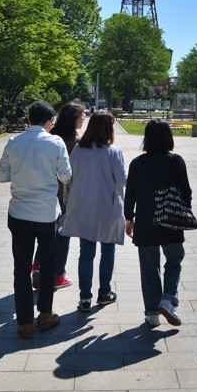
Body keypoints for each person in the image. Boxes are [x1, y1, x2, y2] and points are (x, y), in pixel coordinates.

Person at [0, 100, 72, 338]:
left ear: (28, 119)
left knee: (20, 268)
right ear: (50, 121)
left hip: (19, 212)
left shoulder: (13, 142)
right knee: (48, 264)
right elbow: (66, 176)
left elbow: (2, 176)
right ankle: (45, 314)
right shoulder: (56, 142)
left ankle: (24, 322)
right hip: (46, 213)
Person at [124, 119, 193, 328]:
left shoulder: (137, 163)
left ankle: (152, 313)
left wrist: (129, 218)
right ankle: (168, 299)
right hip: (170, 220)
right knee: (174, 260)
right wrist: (183, 212)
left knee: (149, 267)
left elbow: (130, 194)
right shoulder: (176, 161)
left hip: (145, 221)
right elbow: (186, 193)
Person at [62, 112, 128, 312]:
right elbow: (123, 180)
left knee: (86, 253)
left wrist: (68, 202)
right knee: (108, 250)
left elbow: (68, 179)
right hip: (107, 208)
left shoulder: (78, 150)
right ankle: (104, 292)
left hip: (83, 207)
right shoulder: (112, 151)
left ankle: (84, 297)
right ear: (107, 129)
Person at [31, 101, 86, 291]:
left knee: (47, 234)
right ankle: (58, 275)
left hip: (45, 192)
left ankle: (37, 266)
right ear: (74, 118)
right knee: (63, 236)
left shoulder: (51, 136)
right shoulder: (75, 142)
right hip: (64, 195)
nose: (84, 118)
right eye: (82, 115)